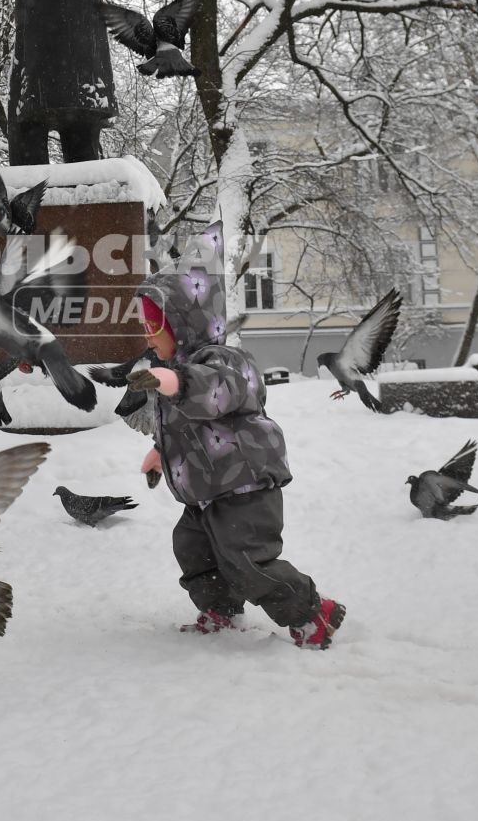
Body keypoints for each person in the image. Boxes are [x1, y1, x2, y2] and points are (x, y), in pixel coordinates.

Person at [130, 229, 345, 649]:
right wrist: (161, 451)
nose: (147, 336)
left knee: (250, 563)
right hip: (207, 492)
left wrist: (173, 380)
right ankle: (220, 609)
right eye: (144, 325)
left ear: (181, 322)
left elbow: (215, 394)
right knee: (193, 552)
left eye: (153, 325)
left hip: (243, 487)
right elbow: (183, 426)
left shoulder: (225, 360)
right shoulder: (178, 367)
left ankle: (313, 612)